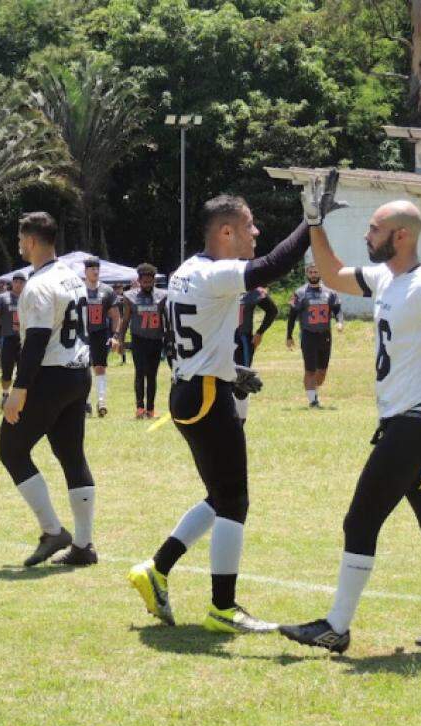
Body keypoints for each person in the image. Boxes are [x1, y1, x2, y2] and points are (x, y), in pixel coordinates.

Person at [280, 190, 421, 653]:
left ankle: (336, 626)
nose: (367, 235)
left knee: (360, 520)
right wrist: (314, 221)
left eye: (374, 229)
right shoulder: (383, 278)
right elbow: (332, 273)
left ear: (402, 236)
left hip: (417, 423)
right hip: (411, 423)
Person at [128, 192, 319, 634]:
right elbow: (270, 266)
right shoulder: (215, 273)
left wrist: (230, 370)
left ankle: (156, 570)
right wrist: (311, 225)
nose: (256, 232)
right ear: (226, 232)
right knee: (235, 500)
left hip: (192, 389)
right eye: (249, 225)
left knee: (220, 495)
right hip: (207, 395)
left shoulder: (184, 272)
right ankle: (222, 608)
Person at [0, 212, 98, 567]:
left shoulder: (38, 285)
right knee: (72, 455)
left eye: (20, 238)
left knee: (11, 449)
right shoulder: (72, 278)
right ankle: (84, 546)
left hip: (50, 377)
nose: (19, 245)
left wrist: (18, 389)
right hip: (77, 374)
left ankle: (53, 530)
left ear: (32, 241)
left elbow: (36, 342)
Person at [285, 263, 343, 407]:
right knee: (310, 369)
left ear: (320, 273)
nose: (313, 274)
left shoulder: (330, 293)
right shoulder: (299, 293)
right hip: (308, 335)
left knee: (322, 373)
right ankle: (313, 400)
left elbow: (338, 310)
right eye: (311, 272)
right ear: (307, 274)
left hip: (325, 335)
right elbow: (292, 315)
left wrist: (339, 322)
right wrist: (289, 335)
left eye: (316, 272)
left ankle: (312, 390)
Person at [118, 264, 168, 418]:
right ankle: (140, 408)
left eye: (150, 281)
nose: (147, 284)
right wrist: (120, 340)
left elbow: (167, 320)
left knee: (152, 375)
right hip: (139, 340)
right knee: (140, 373)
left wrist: (169, 339)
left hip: (156, 339)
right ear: (139, 281)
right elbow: (125, 320)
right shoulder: (130, 296)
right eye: (144, 281)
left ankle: (151, 409)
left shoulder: (162, 295)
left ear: (154, 281)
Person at [233, 285, 277, 423]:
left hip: (242, 340)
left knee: (242, 382)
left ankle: (240, 420)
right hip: (220, 341)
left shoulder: (252, 290)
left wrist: (260, 332)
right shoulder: (218, 285)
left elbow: (272, 310)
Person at [84, 258, 121, 417]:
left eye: (97, 268)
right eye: (91, 268)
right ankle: (84, 402)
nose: (95, 271)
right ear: (85, 271)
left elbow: (115, 316)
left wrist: (115, 336)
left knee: (100, 367)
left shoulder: (107, 290)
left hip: (100, 332)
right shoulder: (78, 289)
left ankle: (101, 400)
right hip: (82, 334)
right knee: (82, 368)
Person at [0, 274, 25, 406]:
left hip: (24, 339)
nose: (18, 284)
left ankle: (19, 397)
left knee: (23, 370)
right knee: (6, 371)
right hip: (8, 338)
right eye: (16, 282)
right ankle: (5, 393)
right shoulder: (3, 298)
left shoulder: (28, 297)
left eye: (21, 282)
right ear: (12, 283)